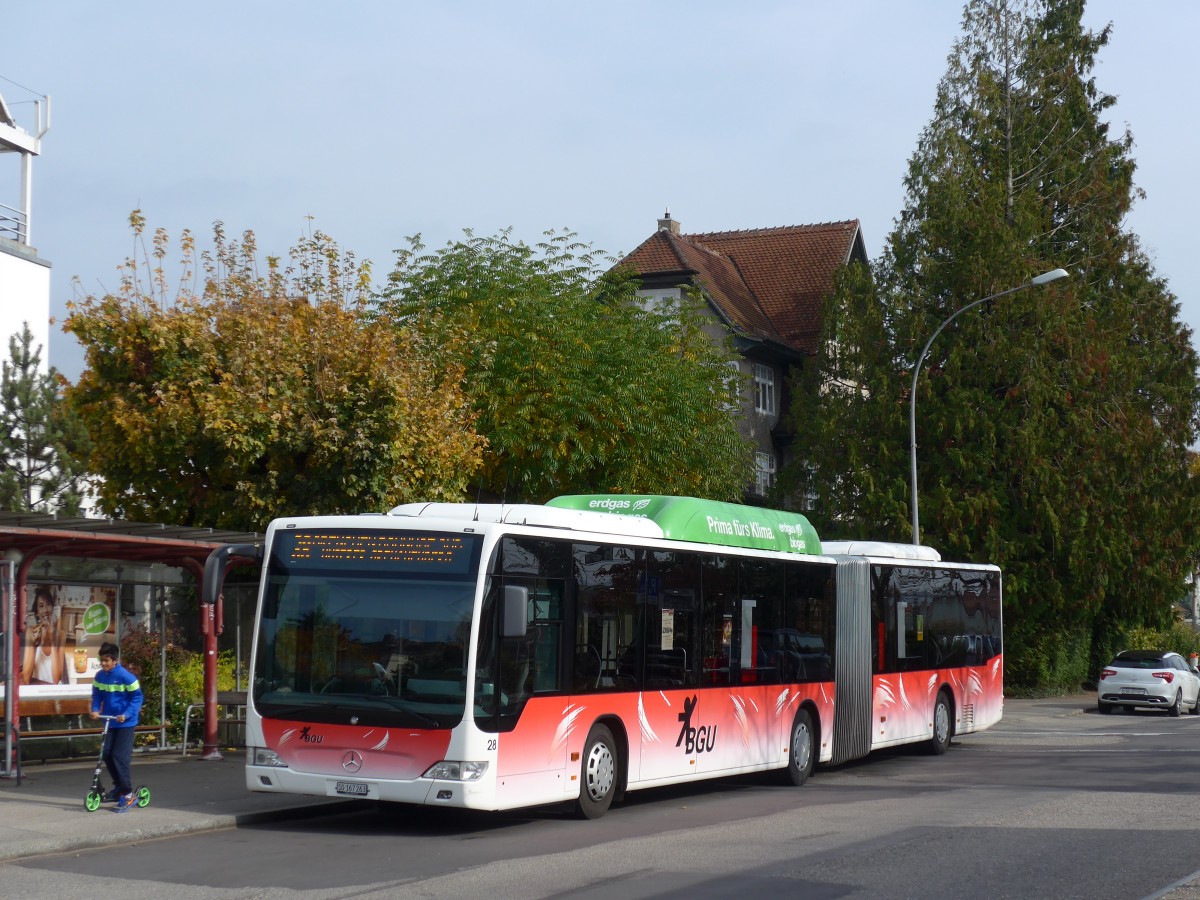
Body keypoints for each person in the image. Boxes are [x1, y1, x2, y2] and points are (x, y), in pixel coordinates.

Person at [90, 641, 144, 812]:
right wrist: (95, 710)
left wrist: (126, 714)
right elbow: (97, 695)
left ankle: (128, 794)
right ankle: (119, 787)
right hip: (110, 721)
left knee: (119, 756)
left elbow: (137, 698)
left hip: (125, 722)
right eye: (102, 660)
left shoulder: (126, 677)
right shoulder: (100, 676)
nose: (104, 664)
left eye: (107, 660)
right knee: (106, 754)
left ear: (115, 660)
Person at [21, 586, 65, 685]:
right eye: (41, 606)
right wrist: (33, 647)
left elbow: (56, 680)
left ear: (52, 608)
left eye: (48, 604)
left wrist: (53, 641)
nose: (45, 610)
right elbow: (26, 678)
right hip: (37, 689)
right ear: (37, 613)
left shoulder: (61, 635)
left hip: (54, 692)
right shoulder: (31, 632)